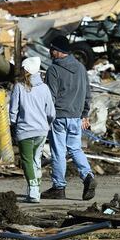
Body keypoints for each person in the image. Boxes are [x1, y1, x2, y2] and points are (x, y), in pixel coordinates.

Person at [41, 35, 97, 201]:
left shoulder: (54, 70)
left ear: (59, 51)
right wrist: (84, 114)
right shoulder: (80, 67)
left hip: (58, 116)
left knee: (58, 152)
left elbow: (50, 96)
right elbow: (87, 93)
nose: (50, 52)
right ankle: (87, 176)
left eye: (52, 49)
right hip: (75, 116)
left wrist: (46, 117)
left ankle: (59, 187)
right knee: (75, 149)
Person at [9, 56, 55, 203]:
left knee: (27, 161)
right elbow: (51, 113)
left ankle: (34, 190)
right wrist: (46, 123)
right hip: (41, 131)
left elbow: (13, 111)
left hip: (25, 130)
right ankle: (35, 190)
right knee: (36, 160)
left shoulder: (19, 87)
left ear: (25, 70)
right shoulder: (44, 88)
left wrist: (13, 125)